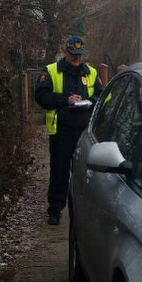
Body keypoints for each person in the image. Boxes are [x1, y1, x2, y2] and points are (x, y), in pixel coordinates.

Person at [35, 35, 103, 225]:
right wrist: (66, 100)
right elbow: (41, 96)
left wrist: (91, 103)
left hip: (84, 131)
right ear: (65, 52)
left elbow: (101, 95)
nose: (77, 59)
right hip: (61, 131)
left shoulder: (91, 72)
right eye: (73, 55)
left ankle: (85, 211)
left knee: (85, 173)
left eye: (80, 55)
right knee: (59, 172)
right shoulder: (51, 71)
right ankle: (55, 210)